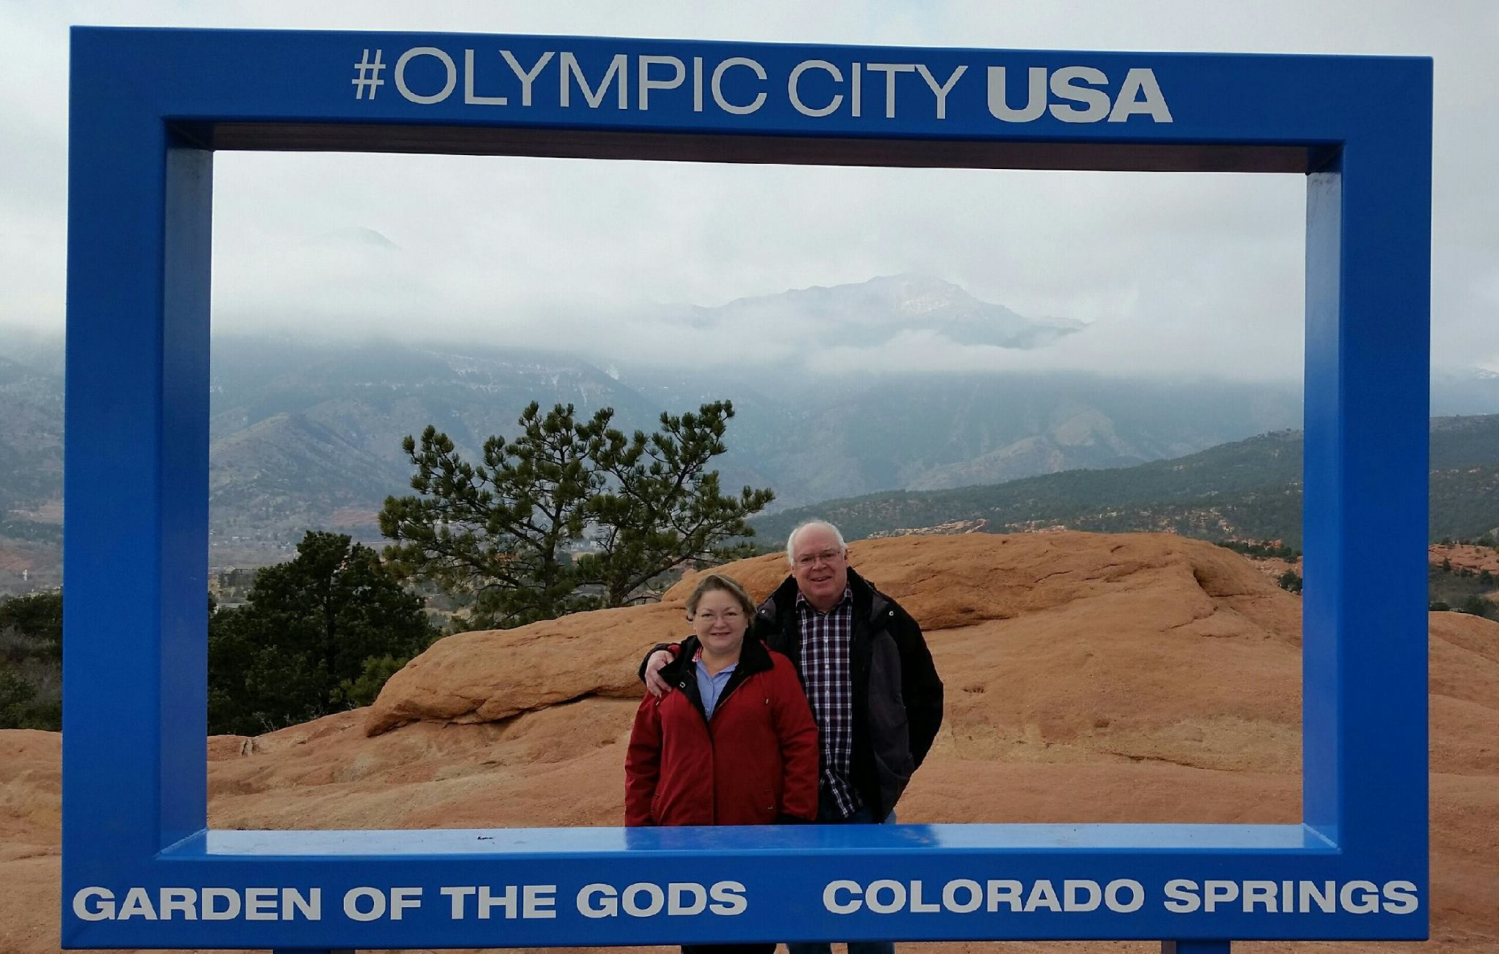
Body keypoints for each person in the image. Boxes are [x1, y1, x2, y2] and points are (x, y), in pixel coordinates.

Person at [641, 520, 944, 954]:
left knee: (872, 920)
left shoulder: (887, 618)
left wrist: (896, 765)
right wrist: (660, 654)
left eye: (827, 555)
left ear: (846, 557)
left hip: (863, 794)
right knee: (801, 919)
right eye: (807, 559)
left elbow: (926, 698)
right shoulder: (770, 619)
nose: (818, 566)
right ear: (793, 566)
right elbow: (715, 638)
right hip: (789, 796)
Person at [625, 572, 820, 954]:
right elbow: (642, 755)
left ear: (747, 618)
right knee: (695, 939)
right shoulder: (670, 673)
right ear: (692, 619)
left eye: (730, 613)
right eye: (708, 614)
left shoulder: (773, 669)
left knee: (752, 938)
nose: (720, 623)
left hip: (755, 833)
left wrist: (794, 821)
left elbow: (801, 743)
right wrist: (640, 830)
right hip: (682, 835)